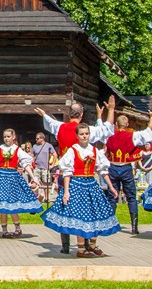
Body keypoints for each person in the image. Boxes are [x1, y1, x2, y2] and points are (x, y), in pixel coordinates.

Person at [34, 96, 116, 253]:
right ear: (82, 114)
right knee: (86, 210)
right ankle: (85, 245)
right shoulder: (89, 131)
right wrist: (111, 109)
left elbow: (51, 123)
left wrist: (44, 115)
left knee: (66, 209)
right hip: (81, 176)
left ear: (69, 113)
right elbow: (107, 128)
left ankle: (66, 246)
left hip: (65, 174)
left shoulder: (61, 127)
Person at [0, 128, 41, 237]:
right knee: (3, 205)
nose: (6, 139)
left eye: (8, 136)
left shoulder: (17, 150)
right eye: (5, 137)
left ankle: (18, 229)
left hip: (12, 179)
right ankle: (4, 230)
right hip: (0, 178)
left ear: (13, 137)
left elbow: (26, 164)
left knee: (12, 205)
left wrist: (33, 177)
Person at [105, 104, 152, 235]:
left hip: (112, 166)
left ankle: (110, 225)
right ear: (127, 125)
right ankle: (134, 227)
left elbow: (105, 126)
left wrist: (108, 111)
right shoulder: (132, 135)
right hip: (126, 167)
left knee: (112, 197)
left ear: (116, 125)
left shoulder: (109, 135)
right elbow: (149, 132)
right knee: (131, 197)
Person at [31, 132, 57, 203]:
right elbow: (32, 155)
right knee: (35, 183)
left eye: (37, 138)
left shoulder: (48, 145)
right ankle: (36, 197)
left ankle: (46, 198)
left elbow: (55, 154)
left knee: (46, 183)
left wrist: (53, 164)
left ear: (42, 138)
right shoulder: (34, 146)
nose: (36, 140)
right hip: (37, 167)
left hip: (45, 168)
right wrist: (31, 163)